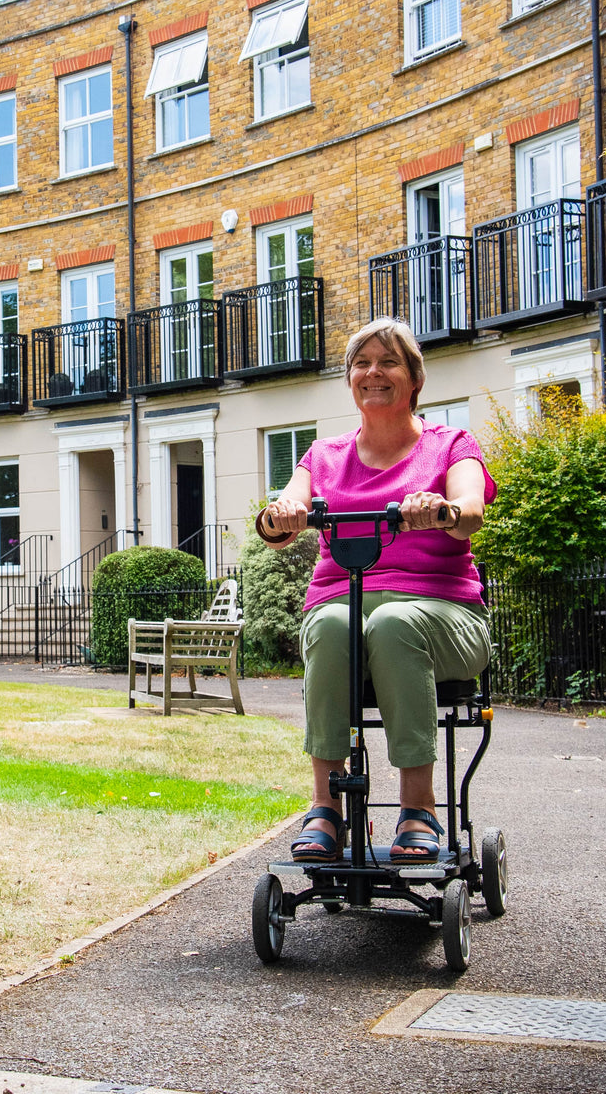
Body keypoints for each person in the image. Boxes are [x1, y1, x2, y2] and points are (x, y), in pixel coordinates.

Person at [255, 318, 494, 864]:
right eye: (362, 363)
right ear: (350, 380)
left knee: (394, 624)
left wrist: (441, 510)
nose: (373, 373)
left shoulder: (451, 444)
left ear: (414, 378)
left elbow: (471, 513)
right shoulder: (324, 456)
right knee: (332, 624)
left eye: (388, 362)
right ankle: (325, 809)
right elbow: (278, 522)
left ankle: (419, 808)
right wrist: (282, 514)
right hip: (345, 606)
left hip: (444, 612)